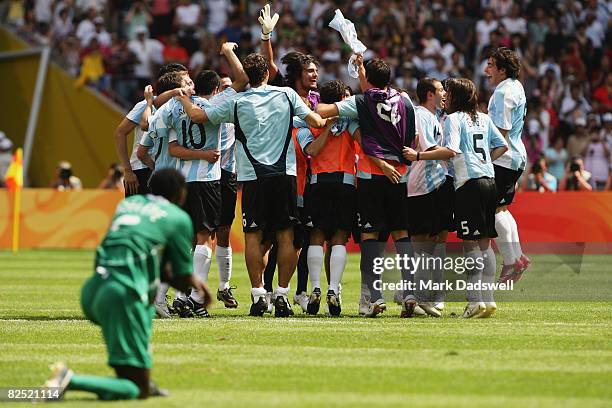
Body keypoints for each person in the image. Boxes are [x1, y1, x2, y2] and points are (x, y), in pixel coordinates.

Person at [41, 169, 212, 401]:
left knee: (135, 363)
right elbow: (181, 276)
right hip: (122, 293)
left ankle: (142, 380)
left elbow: (144, 253)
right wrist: (199, 288)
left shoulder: (128, 205)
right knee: (135, 390)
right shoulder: (177, 217)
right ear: (181, 193)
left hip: (95, 288)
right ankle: (69, 379)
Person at [178, 53, 327, 317]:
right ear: (268, 74)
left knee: (254, 237)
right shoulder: (287, 96)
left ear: (247, 76)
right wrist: (331, 121)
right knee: (286, 236)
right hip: (285, 175)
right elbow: (315, 121)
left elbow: (199, 117)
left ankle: (259, 295)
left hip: (252, 178)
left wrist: (182, 98)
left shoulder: (236, 102)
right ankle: (281, 295)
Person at [317, 55, 417, 318]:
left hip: (370, 176)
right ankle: (410, 292)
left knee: (371, 238)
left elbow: (321, 112)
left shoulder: (359, 102)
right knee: (401, 234)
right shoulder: (406, 101)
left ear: (368, 80)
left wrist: (339, 104)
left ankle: (376, 297)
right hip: (400, 174)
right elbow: (412, 139)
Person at [404, 78, 508, 318]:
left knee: (470, 243)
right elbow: (502, 145)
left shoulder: (453, 118)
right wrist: (483, 162)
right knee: (485, 241)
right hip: (489, 182)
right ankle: (487, 298)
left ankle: (474, 302)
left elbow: (451, 150)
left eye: (448, 93)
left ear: (456, 97)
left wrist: (418, 155)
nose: (445, 97)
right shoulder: (484, 117)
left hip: (468, 185)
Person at [167, 42, 248, 317]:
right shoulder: (214, 105)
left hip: (182, 181)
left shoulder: (177, 107)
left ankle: (182, 295)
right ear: (215, 90)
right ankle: (192, 296)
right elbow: (242, 80)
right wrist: (227, 52)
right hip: (207, 180)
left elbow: (170, 143)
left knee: (190, 239)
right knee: (205, 237)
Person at [304, 80, 359, 316]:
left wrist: (326, 128)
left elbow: (312, 151)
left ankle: (315, 287)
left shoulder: (309, 120)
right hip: (345, 182)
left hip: (317, 183)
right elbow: (363, 142)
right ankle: (333, 290)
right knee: (339, 237)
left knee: (316, 235)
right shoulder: (351, 120)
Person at [484, 47, 530, 283]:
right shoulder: (516, 86)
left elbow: (499, 132)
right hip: (515, 154)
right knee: (502, 209)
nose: (486, 70)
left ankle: (513, 261)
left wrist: (484, 157)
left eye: (491, 65)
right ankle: (517, 256)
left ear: (502, 70)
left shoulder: (503, 93)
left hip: (503, 156)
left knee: (492, 210)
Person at [405, 78, 449, 317]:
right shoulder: (421, 114)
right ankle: (417, 295)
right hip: (421, 186)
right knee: (422, 241)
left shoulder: (434, 117)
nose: (444, 94)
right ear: (430, 94)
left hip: (435, 185)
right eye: (441, 90)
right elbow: (427, 148)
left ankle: (422, 293)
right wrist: (452, 153)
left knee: (434, 239)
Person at [114, 63, 187, 197]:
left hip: (164, 169)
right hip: (141, 170)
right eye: (184, 80)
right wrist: (128, 170)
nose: (188, 84)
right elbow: (120, 132)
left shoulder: (181, 107)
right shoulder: (146, 105)